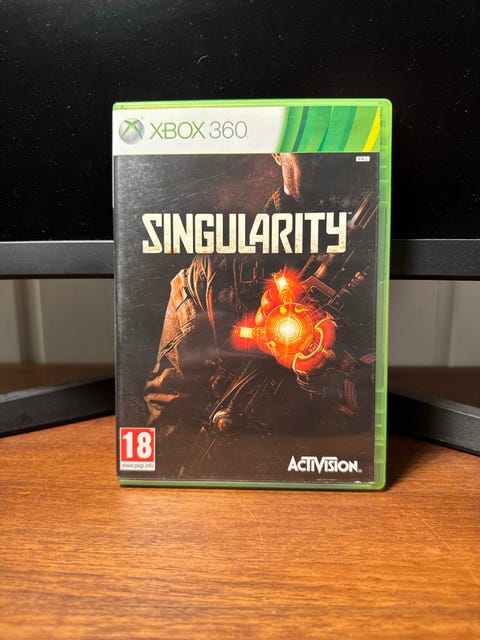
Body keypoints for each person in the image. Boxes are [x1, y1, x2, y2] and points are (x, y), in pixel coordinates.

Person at [144, 154, 375, 478]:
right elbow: (169, 398)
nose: (322, 154)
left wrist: (337, 368)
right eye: (307, 143)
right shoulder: (217, 265)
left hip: (323, 468)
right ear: (278, 152)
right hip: (220, 459)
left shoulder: (375, 248)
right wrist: (159, 477)